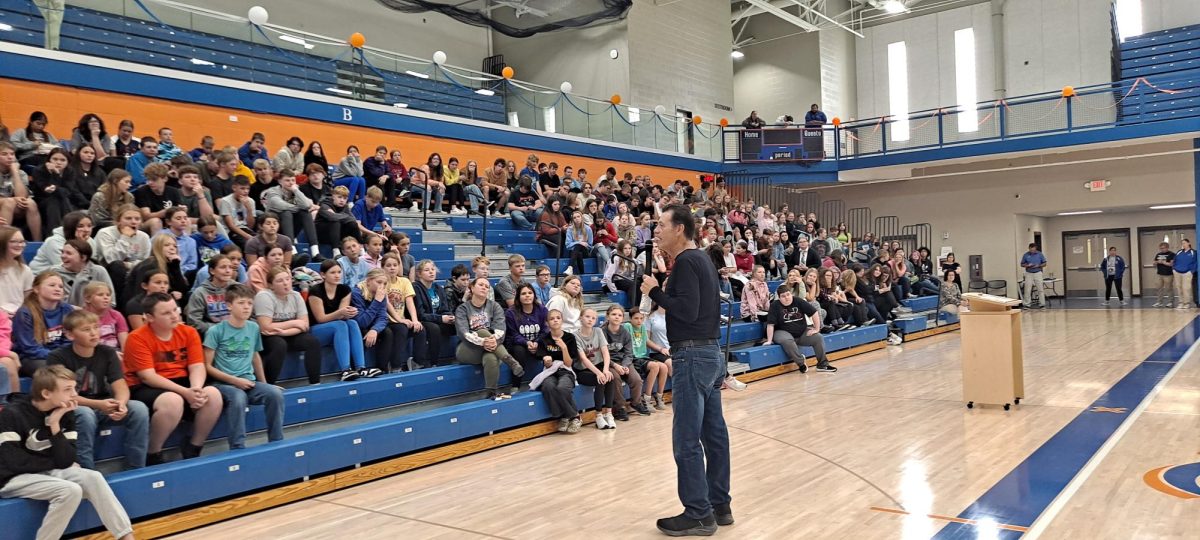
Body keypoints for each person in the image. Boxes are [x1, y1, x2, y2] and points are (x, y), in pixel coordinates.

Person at [639, 203, 732, 535]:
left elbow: (687, 311)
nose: (657, 230)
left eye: (661, 224)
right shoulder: (702, 259)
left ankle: (698, 512)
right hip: (709, 352)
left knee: (687, 439)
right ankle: (719, 505)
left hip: (692, 355)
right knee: (714, 434)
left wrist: (655, 293)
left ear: (679, 228)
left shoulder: (687, 262)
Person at [0, 365, 135, 540]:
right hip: (11, 478)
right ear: (47, 393)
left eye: (74, 388)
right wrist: (56, 462)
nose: (74, 394)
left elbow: (66, 459)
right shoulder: (12, 414)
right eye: (67, 389)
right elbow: (13, 462)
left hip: (44, 472)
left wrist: (54, 424)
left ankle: (126, 537)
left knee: (93, 477)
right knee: (70, 490)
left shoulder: (65, 412)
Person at [124, 292, 224, 463]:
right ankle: (153, 452)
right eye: (166, 313)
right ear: (149, 317)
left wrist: (196, 389)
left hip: (182, 380)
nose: (174, 316)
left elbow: (197, 366)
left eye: (175, 310)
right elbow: (148, 377)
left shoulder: (189, 332)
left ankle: (194, 446)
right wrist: (186, 393)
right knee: (172, 401)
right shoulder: (137, 337)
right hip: (147, 385)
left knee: (212, 395)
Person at [47, 310, 147, 471]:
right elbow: (62, 396)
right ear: (71, 335)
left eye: (96, 327)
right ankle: (87, 472)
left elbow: (120, 384)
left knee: (138, 409)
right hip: (70, 408)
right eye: (86, 330)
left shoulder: (107, 352)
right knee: (85, 414)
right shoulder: (57, 357)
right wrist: (98, 404)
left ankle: (137, 469)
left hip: (102, 405)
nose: (94, 333)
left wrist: (121, 404)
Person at [204, 283, 285, 450]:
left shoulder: (253, 327)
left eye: (249, 303)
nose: (246, 307)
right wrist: (235, 380)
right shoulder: (215, 331)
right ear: (229, 305)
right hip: (223, 384)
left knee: (275, 394)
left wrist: (264, 382)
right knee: (238, 398)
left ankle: (276, 441)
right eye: (241, 303)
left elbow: (255, 356)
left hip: (248, 381)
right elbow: (207, 366)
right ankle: (237, 446)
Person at [255, 266, 325, 385]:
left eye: (287, 279)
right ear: (271, 285)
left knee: (312, 342)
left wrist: (284, 332)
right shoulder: (264, 296)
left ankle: (315, 383)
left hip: (285, 333)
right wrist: (294, 323)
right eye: (280, 281)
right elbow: (265, 327)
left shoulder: (296, 296)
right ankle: (269, 385)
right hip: (267, 336)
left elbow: (305, 325)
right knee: (279, 344)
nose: (285, 283)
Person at [454, 278, 521, 400]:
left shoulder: (495, 306)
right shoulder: (462, 309)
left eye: (487, 286)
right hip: (468, 349)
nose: (484, 287)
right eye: (480, 284)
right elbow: (463, 333)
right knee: (482, 331)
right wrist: (483, 341)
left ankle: (491, 392)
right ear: (472, 288)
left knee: (491, 357)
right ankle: (509, 360)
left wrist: (491, 341)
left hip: (492, 347)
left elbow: (501, 330)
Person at [308, 260, 372, 381]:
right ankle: (345, 369)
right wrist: (340, 313)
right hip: (316, 330)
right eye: (332, 272)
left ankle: (361, 367)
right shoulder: (315, 291)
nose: (337, 275)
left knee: (352, 322)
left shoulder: (345, 290)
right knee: (340, 325)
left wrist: (349, 313)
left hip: (336, 327)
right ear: (323, 275)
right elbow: (320, 318)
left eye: (339, 272)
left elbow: (343, 314)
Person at [529, 309, 581, 433]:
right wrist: (547, 361)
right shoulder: (544, 339)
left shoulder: (569, 338)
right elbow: (546, 363)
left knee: (562, 388)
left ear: (562, 320)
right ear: (547, 323)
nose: (555, 320)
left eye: (558, 318)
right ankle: (564, 415)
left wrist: (564, 348)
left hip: (565, 370)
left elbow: (569, 363)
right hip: (550, 371)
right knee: (547, 386)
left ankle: (575, 416)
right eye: (552, 318)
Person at [13, 273, 75, 376]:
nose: (57, 289)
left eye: (60, 286)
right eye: (52, 285)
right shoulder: (25, 313)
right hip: (31, 358)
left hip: (60, 355)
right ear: (36, 289)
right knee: (53, 371)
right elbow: (30, 349)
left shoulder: (67, 309)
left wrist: (63, 355)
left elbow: (70, 339)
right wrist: (59, 356)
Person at [766, 284, 837, 374]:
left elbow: (814, 313)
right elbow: (770, 324)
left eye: (788, 294)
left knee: (818, 337)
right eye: (783, 296)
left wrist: (817, 328)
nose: (787, 298)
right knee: (787, 340)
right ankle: (801, 363)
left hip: (801, 332)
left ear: (791, 294)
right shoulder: (775, 305)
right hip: (782, 331)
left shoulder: (798, 301)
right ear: (779, 298)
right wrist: (769, 340)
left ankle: (823, 364)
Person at [262, 172, 323, 262]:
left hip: (291, 228)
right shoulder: (272, 191)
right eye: (287, 180)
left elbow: (307, 205)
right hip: (275, 228)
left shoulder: (296, 191)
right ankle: (292, 252)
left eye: (293, 180)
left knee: (305, 213)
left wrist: (296, 191)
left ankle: (315, 252)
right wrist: (300, 207)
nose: (291, 183)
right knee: (286, 212)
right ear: (280, 181)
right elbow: (281, 205)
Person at [602, 305, 650, 416]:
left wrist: (624, 365)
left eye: (619, 315)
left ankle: (636, 403)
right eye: (613, 314)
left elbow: (629, 353)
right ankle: (620, 407)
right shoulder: (601, 332)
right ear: (607, 316)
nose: (616, 317)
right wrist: (615, 366)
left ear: (623, 318)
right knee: (615, 379)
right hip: (608, 363)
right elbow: (602, 355)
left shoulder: (625, 333)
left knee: (637, 380)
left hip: (624, 362)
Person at [574, 308, 618, 429]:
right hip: (582, 370)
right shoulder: (575, 336)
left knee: (610, 377)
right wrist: (599, 373)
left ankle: (609, 414)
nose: (590, 320)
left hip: (598, 365)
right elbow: (583, 359)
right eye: (587, 317)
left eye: (593, 318)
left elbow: (605, 353)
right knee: (600, 379)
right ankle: (598, 415)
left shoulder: (598, 331)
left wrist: (605, 369)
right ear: (580, 318)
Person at [411, 260, 455, 370]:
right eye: (427, 270)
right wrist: (441, 318)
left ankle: (458, 357)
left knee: (459, 324)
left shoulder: (438, 288)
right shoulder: (416, 287)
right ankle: (433, 363)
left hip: (437, 319)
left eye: (433, 269)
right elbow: (420, 314)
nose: (431, 272)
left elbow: (444, 309)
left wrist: (450, 316)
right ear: (419, 274)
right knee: (434, 328)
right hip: (422, 320)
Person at [0, 141, 44, 241]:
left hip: (14, 205)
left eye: (12, 154)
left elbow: (22, 197)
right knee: (9, 202)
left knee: (30, 203)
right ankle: (2, 241)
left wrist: (15, 173)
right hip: (6, 203)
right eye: (4, 154)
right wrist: (12, 199)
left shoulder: (21, 173)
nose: (10, 157)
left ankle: (37, 243)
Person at [625, 307, 668, 410]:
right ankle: (646, 398)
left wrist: (660, 349)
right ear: (630, 319)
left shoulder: (643, 327)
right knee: (655, 366)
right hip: (633, 358)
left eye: (641, 318)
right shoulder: (627, 326)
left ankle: (659, 397)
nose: (639, 321)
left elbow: (647, 341)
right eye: (636, 318)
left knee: (664, 367)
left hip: (643, 357)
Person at [52, 239, 114, 309]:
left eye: (68, 253)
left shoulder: (99, 271)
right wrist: (78, 281)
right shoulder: (55, 273)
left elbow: (111, 302)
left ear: (83, 257)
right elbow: (64, 305)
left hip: (100, 313)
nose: (63, 256)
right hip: (71, 315)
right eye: (62, 252)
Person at [1020, 243, 1047, 308]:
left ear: (1036, 249)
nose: (1032, 251)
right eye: (1031, 250)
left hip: (1038, 272)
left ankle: (1042, 304)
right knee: (1027, 289)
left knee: (1040, 289)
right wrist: (1027, 265)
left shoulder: (1040, 254)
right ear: (1029, 248)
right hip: (1029, 273)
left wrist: (1039, 265)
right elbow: (1022, 264)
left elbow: (1044, 263)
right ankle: (1027, 304)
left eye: (1034, 250)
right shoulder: (1025, 255)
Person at [1173, 239, 1197, 310]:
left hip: (1187, 272)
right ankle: (1181, 303)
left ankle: (1186, 303)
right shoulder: (1179, 252)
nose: (1183, 245)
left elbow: (1195, 262)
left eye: (1184, 243)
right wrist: (1174, 269)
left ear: (1188, 243)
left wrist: (1191, 271)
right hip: (1177, 272)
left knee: (1186, 288)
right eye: (1182, 243)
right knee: (1179, 287)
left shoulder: (1193, 252)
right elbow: (1174, 261)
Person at [1153, 242, 1176, 307]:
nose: (1162, 250)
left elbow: (1171, 264)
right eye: (1161, 248)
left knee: (1168, 288)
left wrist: (1163, 262)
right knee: (1159, 288)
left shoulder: (1171, 254)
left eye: (1163, 248)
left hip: (1168, 274)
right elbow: (1154, 262)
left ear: (1167, 247)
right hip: (1159, 274)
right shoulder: (1158, 254)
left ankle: (1170, 302)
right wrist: (1157, 262)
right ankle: (1159, 302)